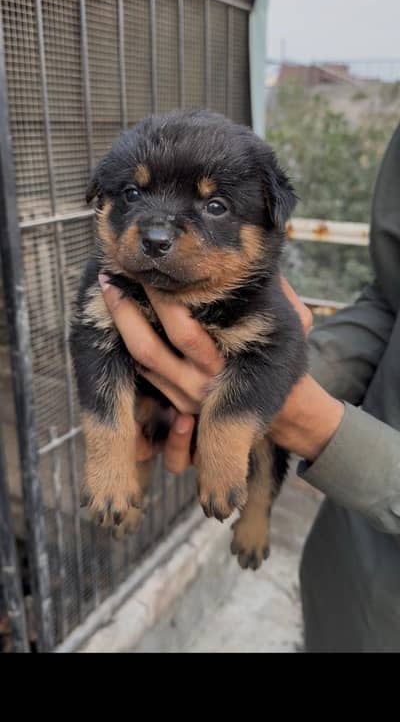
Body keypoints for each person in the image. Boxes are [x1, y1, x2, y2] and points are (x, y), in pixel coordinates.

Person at [98, 123, 400, 653]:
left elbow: (277, 412)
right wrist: (292, 373)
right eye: (134, 195)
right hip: (345, 578)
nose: (159, 233)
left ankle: (258, 510)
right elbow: (391, 295)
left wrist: (310, 421)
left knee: (262, 445)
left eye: (215, 207)